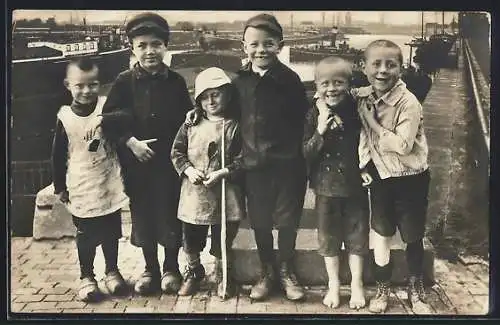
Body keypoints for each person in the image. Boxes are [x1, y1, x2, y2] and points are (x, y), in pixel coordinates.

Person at [98, 12, 193, 295]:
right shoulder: (124, 81)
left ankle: (171, 268)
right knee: (144, 215)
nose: (149, 51)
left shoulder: (175, 81)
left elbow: (187, 120)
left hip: (168, 164)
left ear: (166, 46)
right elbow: (109, 118)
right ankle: (150, 268)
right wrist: (130, 142)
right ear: (132, 48)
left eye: (156, 44)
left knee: (170, 213)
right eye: (142, 45)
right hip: (137, 164)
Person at [354, 39, 432, 314]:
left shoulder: (408, 102)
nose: (383, 71)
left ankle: (415, 286)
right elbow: (330, 93)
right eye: (376, 64)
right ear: (363, 67)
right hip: (381, 177)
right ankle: (382, 286)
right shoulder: (364, 95)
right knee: (381, 233)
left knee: (412, 234)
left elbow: (402, 146)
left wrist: (372, 122)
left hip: (410, 176)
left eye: (391, 65)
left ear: (401, 68)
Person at [51, 58, 129, 302]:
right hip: (81, 183)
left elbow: (125, 119)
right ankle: (87, 276)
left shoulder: (107, 108)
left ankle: (112, 272)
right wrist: (60, 187)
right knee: (86, 234)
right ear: (68, 85)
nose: (87, 91)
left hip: (107, 180)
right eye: (80, 86)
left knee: (111, 232)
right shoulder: (65, 117)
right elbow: (56, 155)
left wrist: (109, 119)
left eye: (93, 85)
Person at [171, 67, 245, 299]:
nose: (211, 101)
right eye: (205, 96)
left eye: (216, 94)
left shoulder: (234, 125)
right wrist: (188, 169)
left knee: (223, 237)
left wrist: (224, 171)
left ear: (227, 94)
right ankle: (193, 272)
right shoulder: (190, 124)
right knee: (191, 237)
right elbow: (177, 152)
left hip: (225, 192)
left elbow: (243, 159)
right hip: (195, 194)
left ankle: (222, 275)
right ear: (199, 101)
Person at [303, 56, 369, 310]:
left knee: (357, 238)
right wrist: (320, 130)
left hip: (355, 187)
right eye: (325, 83)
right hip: (326, 188)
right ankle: (333, 285)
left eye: (339, 82)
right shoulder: (313, 114)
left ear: (349, 84)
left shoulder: (359, 110)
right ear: (317, 86)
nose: (332, 89)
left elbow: (369, 144)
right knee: (328, 239)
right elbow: (306, 153)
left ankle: (357, 285)